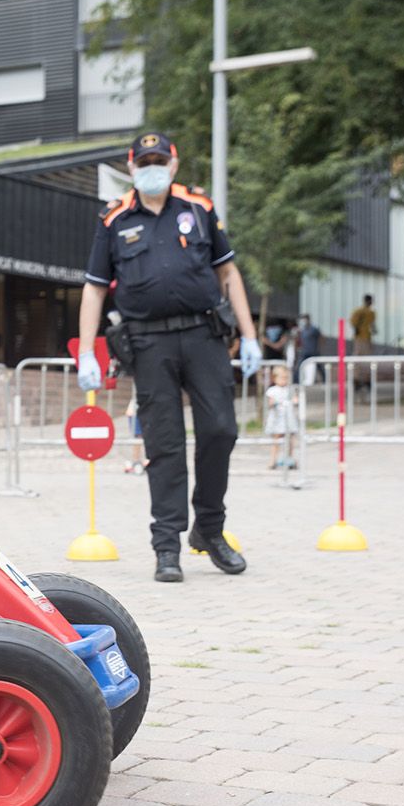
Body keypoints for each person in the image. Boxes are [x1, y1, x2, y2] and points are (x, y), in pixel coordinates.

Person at [77, 131, 258, 583]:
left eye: (160, 160)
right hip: (148, 343)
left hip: (203, 335)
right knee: (164, 444)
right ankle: (167, 546)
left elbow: (228, 272)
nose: (152, 168)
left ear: (173, 165)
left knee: (221, 429)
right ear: (131, 167)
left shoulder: (198, 208)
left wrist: (251, 335)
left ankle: (210, 529)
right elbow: (94, 288)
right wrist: (87, 352)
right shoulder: (114, 219)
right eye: (144, 162)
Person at [263, 364, 296, 469]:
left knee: (290, 440)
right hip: (277, 418)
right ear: (274, 378)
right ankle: (273, 460)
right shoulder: (273, 390)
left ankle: (290, 459)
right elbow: (270, 402)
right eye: (282, 378)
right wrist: (274, 403)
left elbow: (295, 399)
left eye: (286, 378)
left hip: (288, 418)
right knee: (276, 441)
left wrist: (295, 401)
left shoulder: (289, 389)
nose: (284, 380)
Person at [123, 394, 147, 475]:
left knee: (142, 437)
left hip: (143, 408)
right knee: (137, 437)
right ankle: (136, 460)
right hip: (136, 410)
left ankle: (142, 459)